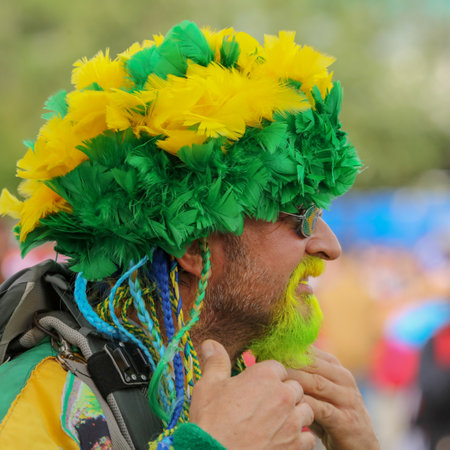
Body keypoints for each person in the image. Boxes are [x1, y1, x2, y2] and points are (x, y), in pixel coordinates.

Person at [0, 20, 379, 449]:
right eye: (297, 215)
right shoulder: (39, 401)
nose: (330, 246)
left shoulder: (257, 399)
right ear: (194, 247)